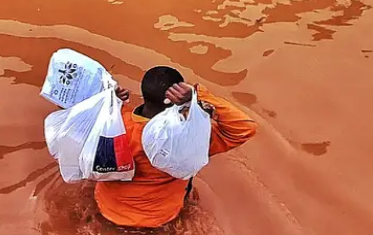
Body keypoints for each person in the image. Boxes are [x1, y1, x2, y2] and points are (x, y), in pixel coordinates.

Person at [95, 66, 257, 228]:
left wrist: (107, 103)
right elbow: (245, 127)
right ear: (174, 99)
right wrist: (198, 96)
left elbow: (76, 122)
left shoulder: (113, 124)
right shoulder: (190, 137)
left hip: (107, 209)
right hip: (160, 218)